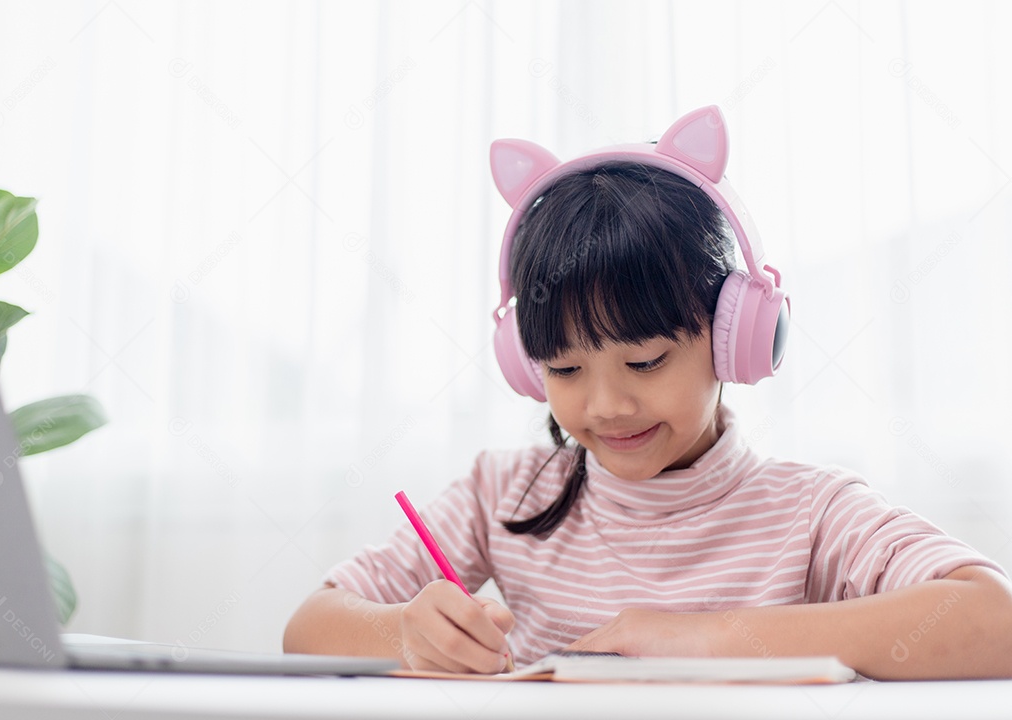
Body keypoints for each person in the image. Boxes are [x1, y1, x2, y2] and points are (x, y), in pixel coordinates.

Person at [284, 106, 1012, 680]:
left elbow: (994, 623)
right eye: (565, 371)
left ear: (737, 337)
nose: (604, 406)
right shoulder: (499, 495)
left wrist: (702, 637)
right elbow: (308, 628)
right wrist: (407, 631)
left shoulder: (809, 514)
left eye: (647, 361)